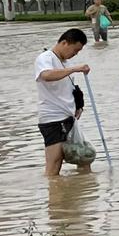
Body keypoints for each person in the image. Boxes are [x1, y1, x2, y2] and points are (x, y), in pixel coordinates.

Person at [35, 29, 93, 178]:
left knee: (84, 157)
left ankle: (81, 191)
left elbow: (70, 87)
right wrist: (74, 68)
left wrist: (79, 105)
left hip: (69, 118)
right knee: (54, 165)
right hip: (53, 118)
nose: (75, 54)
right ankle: (55, 197)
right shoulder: (45, 58)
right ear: (64, 43)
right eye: (75, 50)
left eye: (78, 52)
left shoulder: (66, 63)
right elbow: (46, 75)